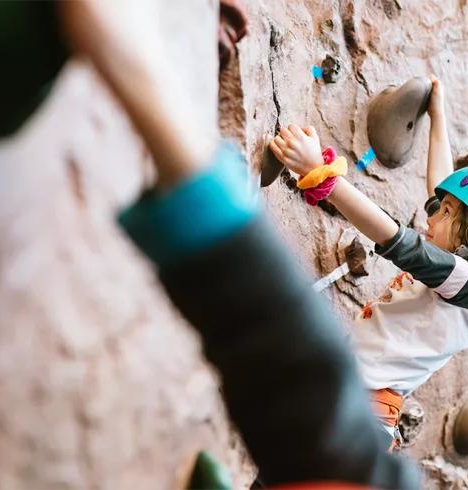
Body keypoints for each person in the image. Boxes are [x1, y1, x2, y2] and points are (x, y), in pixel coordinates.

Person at [59, 1, 421, 488]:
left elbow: (296, 367)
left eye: (444, 214)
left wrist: (133, 68)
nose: (434, 213)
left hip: (368, 411)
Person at [269, 77, 468, 451]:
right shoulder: (460, 265)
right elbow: (440, 189)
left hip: (358, 415)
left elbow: (397, 240)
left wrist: (321, 172)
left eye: (446, 213)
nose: (431, 218)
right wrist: (437, 113)